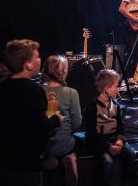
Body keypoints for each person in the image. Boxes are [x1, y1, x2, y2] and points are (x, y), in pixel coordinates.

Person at [0, 40, 63, 186]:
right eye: (37, 57)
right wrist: (56, 119)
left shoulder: (3, 87)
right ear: (28, 64)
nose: (40, 59)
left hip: (1, 160)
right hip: (24, 164)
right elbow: (39, 126)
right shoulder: (34, 90)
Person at [41, 55, 82, 186]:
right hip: (65, 144)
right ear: (64, 72)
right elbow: (77, 124)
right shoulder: (71, 93)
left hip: (42, 145)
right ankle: (69, 157)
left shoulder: (38, 91)